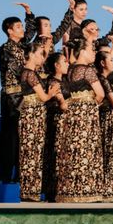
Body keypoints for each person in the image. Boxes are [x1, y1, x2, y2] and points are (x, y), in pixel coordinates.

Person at [55, 39, 105, 202]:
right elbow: (101, 94)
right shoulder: (87, 70)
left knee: (74, 150)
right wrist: (90, 104)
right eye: (91, 49)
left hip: (74, 113)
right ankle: (87, 191)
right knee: (87, 151)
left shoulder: (70, 70)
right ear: (82, 51)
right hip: (86, 114)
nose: (94, 52)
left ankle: (70, 191)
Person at [0, 2, 36, 183]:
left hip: (22, 96)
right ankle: (5, 176)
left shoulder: (22, 46)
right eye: (18, 27)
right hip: (11, 98)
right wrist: (36, 79)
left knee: (22, 137)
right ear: (9, 31)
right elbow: (18, 70)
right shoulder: (7, 48)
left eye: (21, 26)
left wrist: (28, 14)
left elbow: (30, 33)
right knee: (10, 138)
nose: (22, 30)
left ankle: (20, 175)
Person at [19, 42, 62, 201]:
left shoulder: (30, 73)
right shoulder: (30, 73)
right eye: (39, 54)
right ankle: (31, 194)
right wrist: (51, 93)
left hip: (34, 116)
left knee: (33, 155)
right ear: (30, 55)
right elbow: (43, 97)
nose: (42, 57)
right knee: (32, 155)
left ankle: (32, 193)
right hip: (33, 117)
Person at [95, 44, 113, 201]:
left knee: (109, 155)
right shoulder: (103, 80)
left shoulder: (106, 79)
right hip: (107, 119)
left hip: (108, 118)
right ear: (102, 63)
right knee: (109, 154)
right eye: (111, 60)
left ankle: (107, 191)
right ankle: (107, 192)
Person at [43, 51, 69, 202]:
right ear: (56, 65)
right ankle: (52, 192)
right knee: (56, 155)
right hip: (57, 122)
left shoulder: (65, 81)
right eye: (64, 62)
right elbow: (63, 104)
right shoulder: (53, 82)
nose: (67, 64)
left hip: (65, 122)